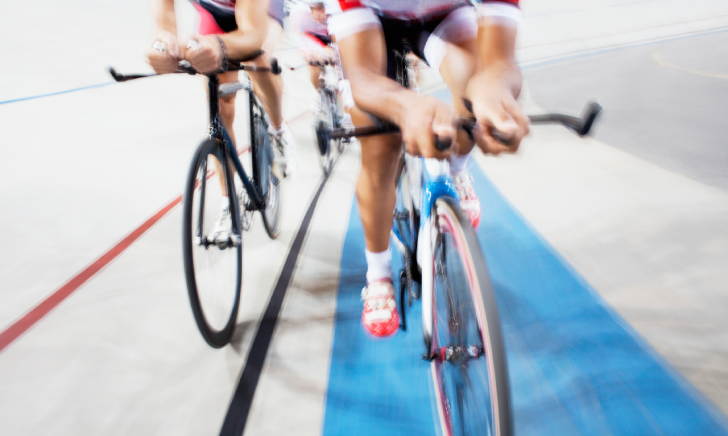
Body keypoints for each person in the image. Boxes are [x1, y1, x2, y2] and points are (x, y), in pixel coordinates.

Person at [329, 0, 530, 337]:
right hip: (369, 14)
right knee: (381, 145)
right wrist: (404, 106)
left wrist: (494, 92)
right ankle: (378, 275)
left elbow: (500, 61)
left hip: (443, 11)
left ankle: (457, 170)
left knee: (471, 93)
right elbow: (364, 78)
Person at [146, 0, 299, 181]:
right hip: (216, 13)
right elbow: (165, 22)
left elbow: (253, 37)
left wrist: (217, 44)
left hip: (262, 11)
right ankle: (228, 195)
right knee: (220, 103)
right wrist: (164, 46)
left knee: (258, 62)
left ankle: (279, 129)